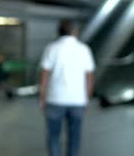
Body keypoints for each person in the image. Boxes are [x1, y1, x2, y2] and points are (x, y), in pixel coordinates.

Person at [39, 19, 95, 156]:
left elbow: (45, 75)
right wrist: (87, 97)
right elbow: (89, 76)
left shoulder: (51, 48)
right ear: (75, 32)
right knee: (75, 137)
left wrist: (42, 96)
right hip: (77, 100)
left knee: (53, 136)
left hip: (55, 100)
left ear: (59, 32)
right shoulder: (84, 49)